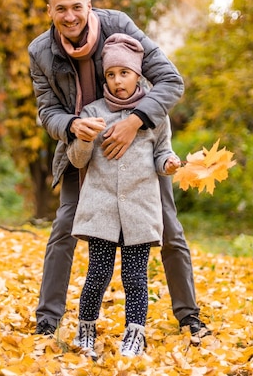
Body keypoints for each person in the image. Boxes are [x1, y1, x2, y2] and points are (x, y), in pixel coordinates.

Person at [27, 0, 209, 340]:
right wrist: (73, 125)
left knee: (169, 230)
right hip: (85, 153)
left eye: (77, 6)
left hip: (140, 151)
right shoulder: (41, 51)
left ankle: (189, 317)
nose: (70, 15)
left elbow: (171, 81)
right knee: (64, 228)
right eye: (60, 9)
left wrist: (135, 122)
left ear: (89, 6)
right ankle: (47, 322)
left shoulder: (119, 27)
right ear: (50, 12)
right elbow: (47, 112)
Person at [68, 33, 182, 358]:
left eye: (124, 73)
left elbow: (162, 154)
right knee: (97, 275)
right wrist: (85, 138)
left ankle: (135, 335)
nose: (118, 81)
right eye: (110, 74)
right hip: (102, 211)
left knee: (135, 278)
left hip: (138, 212)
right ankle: (85, 329)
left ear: (138, 75)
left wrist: (169, 163)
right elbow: (78, 161)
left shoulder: (155, 116)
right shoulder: (93, 111)